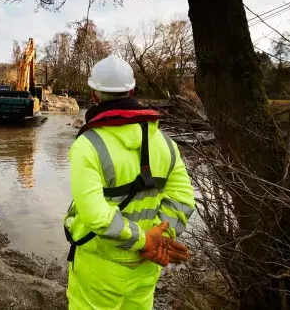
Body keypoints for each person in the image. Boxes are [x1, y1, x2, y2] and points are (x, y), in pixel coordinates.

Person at [64, 55, 195, 310]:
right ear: (132, 91)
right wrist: (160, 238)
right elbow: (184, 199)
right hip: (146, 266)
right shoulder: (166, 143)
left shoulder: (88, 144)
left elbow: (95, 215)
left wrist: (145, 241)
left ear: (94, 95)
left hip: (99, 266)